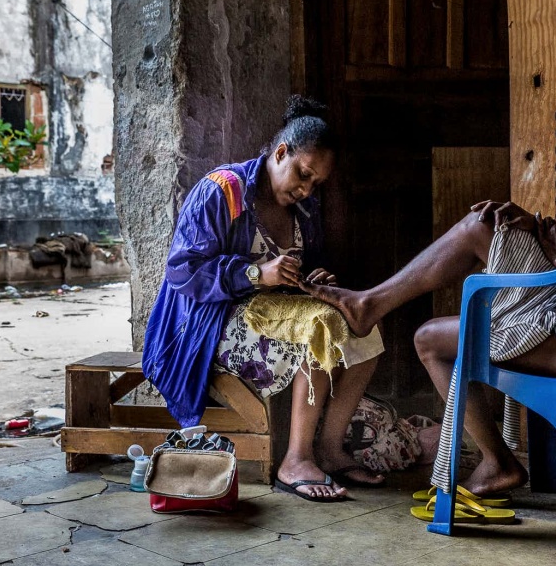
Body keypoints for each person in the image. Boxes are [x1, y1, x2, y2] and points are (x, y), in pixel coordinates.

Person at [301, 50, 556, 496]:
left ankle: (499, 462)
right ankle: (369, 303)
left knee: (429, 341)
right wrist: (545, 233)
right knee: (485, 225)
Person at [143, 95, 386, 502]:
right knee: (318, 328)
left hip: (266, 315)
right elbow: (182, 272)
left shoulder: (303, 210)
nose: (307, 189)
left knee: (367, 330)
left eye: (316, 183)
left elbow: (292, 281)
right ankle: (295, 459)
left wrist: (310, 278)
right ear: (280, 152)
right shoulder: (222, 191)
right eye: (303, 174)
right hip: (206, 323)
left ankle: (329, 447)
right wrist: (256, 273)